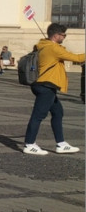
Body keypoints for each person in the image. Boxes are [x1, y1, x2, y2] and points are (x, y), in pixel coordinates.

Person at [23, 23, 84, 155]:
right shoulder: (54, 49)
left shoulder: (43, 45)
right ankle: (29, 144)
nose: (65, 37)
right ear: (56, 36)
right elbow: (77, 58)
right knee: (38, 116)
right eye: (63, 35)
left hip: (43, 84)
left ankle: (61, 144)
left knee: (58, 112)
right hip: (46, 85)